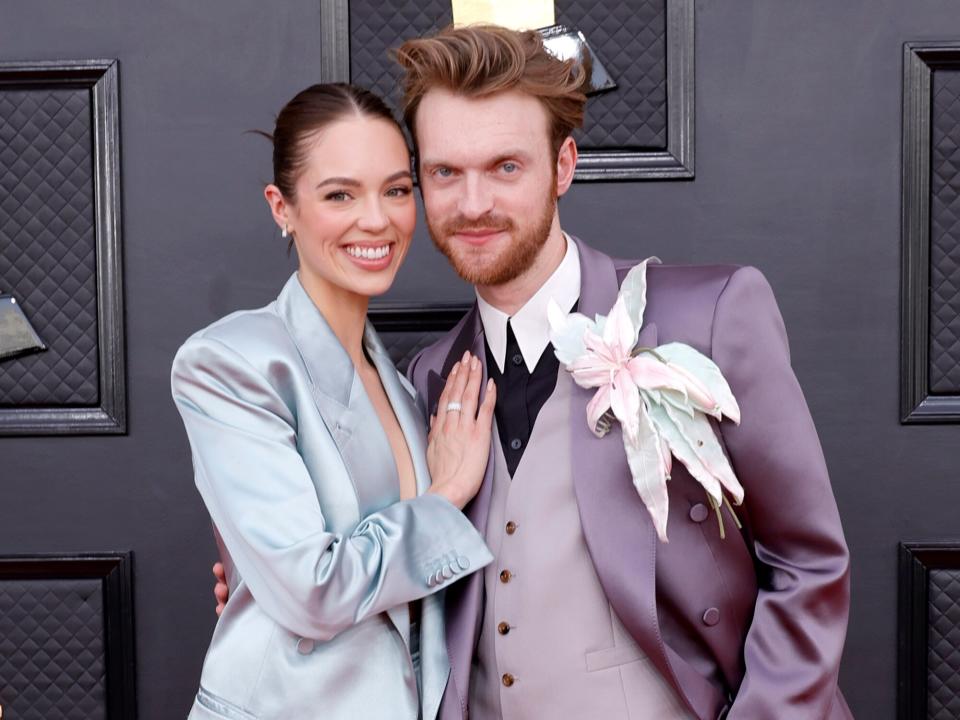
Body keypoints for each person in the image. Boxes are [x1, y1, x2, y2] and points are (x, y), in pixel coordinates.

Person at [214, 26, 853, 720]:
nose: (474, 203)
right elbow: (369, 574)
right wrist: (260, 585)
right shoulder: (425, 381)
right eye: (445, 173)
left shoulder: (710, 315)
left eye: (505, 168)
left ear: (563, 166)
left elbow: (808, 560)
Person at [172, 83, 496, 720]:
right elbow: (313, 595)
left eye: (396, 190)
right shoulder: (231, 363)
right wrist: (445, 496)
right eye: (340, 194)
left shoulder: (405, 387)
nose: (376, 219)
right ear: (282, 208)